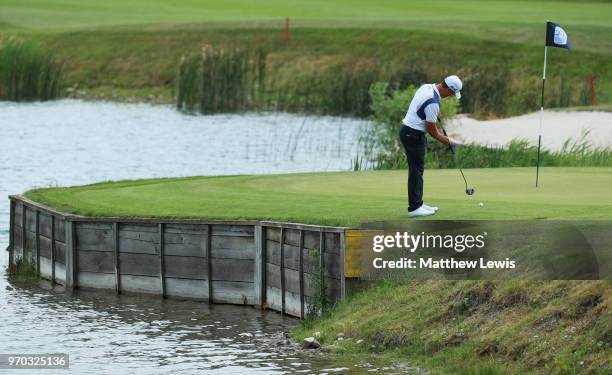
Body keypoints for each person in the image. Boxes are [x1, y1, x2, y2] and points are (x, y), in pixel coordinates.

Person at [399, 75, 463, 218]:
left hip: (409, 131)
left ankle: (418, 203)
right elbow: (432, 131)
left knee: (417, 169)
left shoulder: (427, 87)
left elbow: (422, 108)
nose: (451, 96)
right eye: (452, 93)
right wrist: (448, 141)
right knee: (416, 170)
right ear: (448, 89)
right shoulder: (433, 102)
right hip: (413, 134)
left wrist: (433, 112)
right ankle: (414, 208)